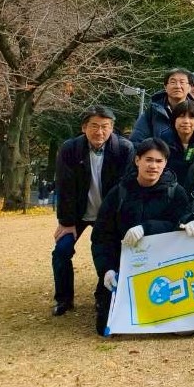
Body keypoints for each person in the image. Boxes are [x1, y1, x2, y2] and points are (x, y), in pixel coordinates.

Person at [90, 138, 189, 336]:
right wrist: (107, 269)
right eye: (148, 160)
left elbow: (180, 228)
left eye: (159, 161)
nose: (153, 166)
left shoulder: (176, 192)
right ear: (137, 161)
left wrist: (147, 227)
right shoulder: (119, 192)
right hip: (125, 267)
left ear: (165, 164)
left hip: (163, 269)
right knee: (105, 328)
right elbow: (101, 236)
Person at [51, 106, 134, 317]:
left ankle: (103, 296)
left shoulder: (124, 149)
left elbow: (125, 188)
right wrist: (66, 222)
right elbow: (64, 186)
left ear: (112, 128)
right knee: (61, 251)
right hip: (77, 214)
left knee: (110, 253)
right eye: (94, 126)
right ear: (84, 127)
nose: (99, 132)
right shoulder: (70, 149)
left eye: (105, 127)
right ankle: (64, 299)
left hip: (108, 215)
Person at [131, 68, 194, 143]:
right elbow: (137, 140)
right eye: (173, 82)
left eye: (182, 82)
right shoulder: (152, 112)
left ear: (189, 87)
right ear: (165, 87)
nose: (177, 86)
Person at [160, 100, 194, 191]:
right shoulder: (164, 138)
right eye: (181, 116)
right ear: (174, 120)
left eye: (191, 117)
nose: (186, 121)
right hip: (171, 191)